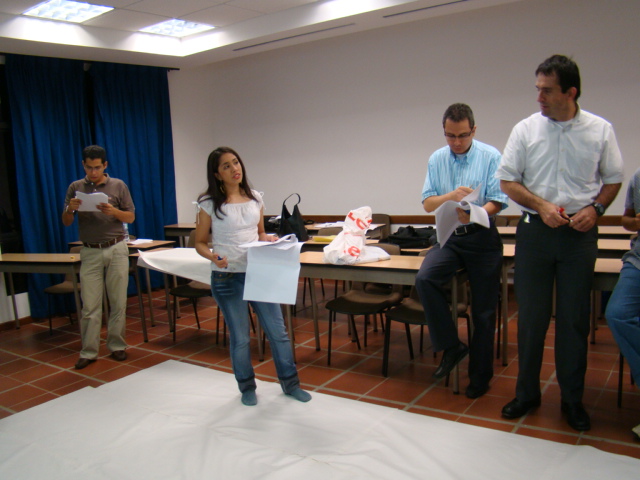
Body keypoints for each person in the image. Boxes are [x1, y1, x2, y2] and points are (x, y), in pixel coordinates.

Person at [497, 55, 624, 431]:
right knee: (531, 319)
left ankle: (572, 400)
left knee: (573, 321)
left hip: (578, 237)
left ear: (570, 92)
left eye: (547, 90)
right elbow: (507, 181)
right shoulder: (525, 130)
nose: (539, 97)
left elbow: (613, 179)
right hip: (535, 232)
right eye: (537, 89)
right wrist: (541, 205)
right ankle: (526, 394)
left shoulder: (600, 130)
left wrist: (596, 209)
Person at [194, 146, 311, 406]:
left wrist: (268, 239)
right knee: (241, 337)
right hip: (227, 277)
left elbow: (259, 233)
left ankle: (290, 384)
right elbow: (199, 242)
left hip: (259, 272)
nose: (234, 169)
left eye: (236, 162)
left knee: (278, 332)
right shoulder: (208, 203)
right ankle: (247, 386)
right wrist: (213, 256)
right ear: (217, 174)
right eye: (226, 166)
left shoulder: (255, 198)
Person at [415, 103, 508, 399]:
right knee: (425, 278)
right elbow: (428, 203)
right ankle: (452, 346)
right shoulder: (437, 159)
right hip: (450, 237)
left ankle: (480, 376)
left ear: (473, 130)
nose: (456, 142)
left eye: (462, 135)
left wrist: (476, 212)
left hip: (482, 237)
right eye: (450, 135)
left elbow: (498, 200)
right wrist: (451, 196)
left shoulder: (490, 156)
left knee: (483, 311)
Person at [63, 145, 135, 369]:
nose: (93, 172)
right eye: (88, 167)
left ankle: (117, 346)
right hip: (90, 250)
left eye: (97, 167)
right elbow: (66, 221)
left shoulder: (118, 185)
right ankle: (88, 351)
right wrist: (70, 209)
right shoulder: (76, 187)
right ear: (83, 165)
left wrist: (114, 212)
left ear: (105, 165)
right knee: (90, 305)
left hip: (116, 248)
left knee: (118, 302)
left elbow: (130, 217)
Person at [605, 166, 640, 440]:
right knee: (617, 314)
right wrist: (635, 223)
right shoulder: (638, 177)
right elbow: (627, 219)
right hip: (638, 260)